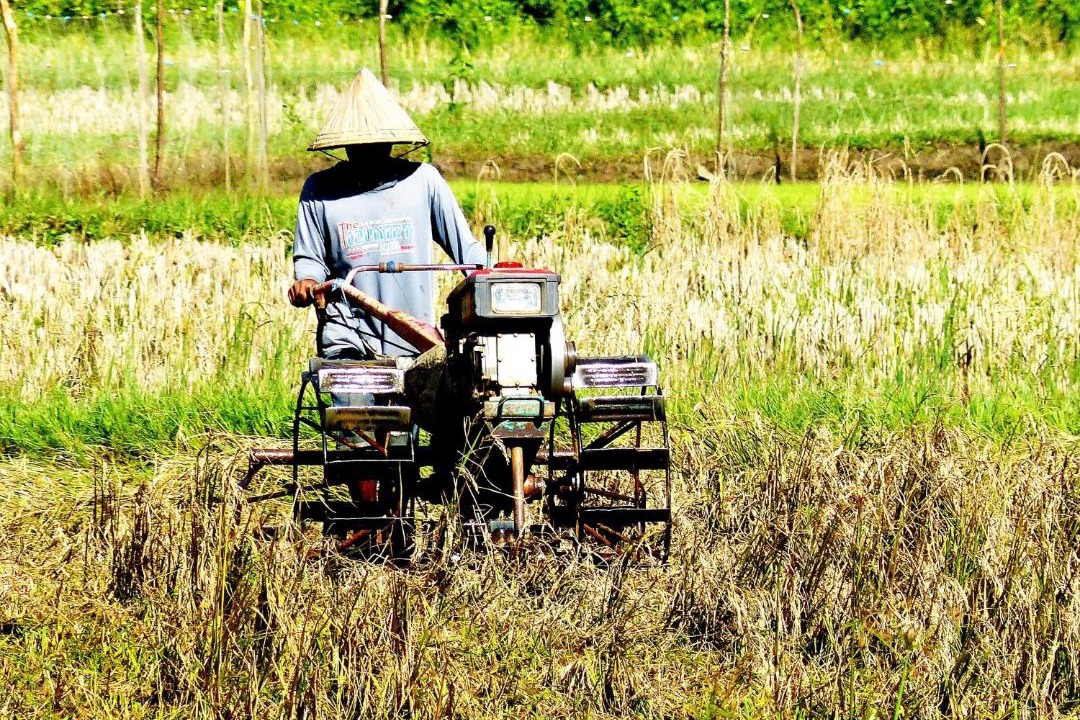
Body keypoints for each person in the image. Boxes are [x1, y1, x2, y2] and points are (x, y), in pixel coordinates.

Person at [288, 68, 485, 361]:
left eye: (376, 144)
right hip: (349, 333)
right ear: (345, 145)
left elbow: (465, 249)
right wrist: (307, 281)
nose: (369, 151)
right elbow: (310, 259)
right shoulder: (320, 191)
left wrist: (492, 276)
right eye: (360, 145)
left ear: (392, 142)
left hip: (413, 336)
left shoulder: (423, 181)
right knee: (354, 403)